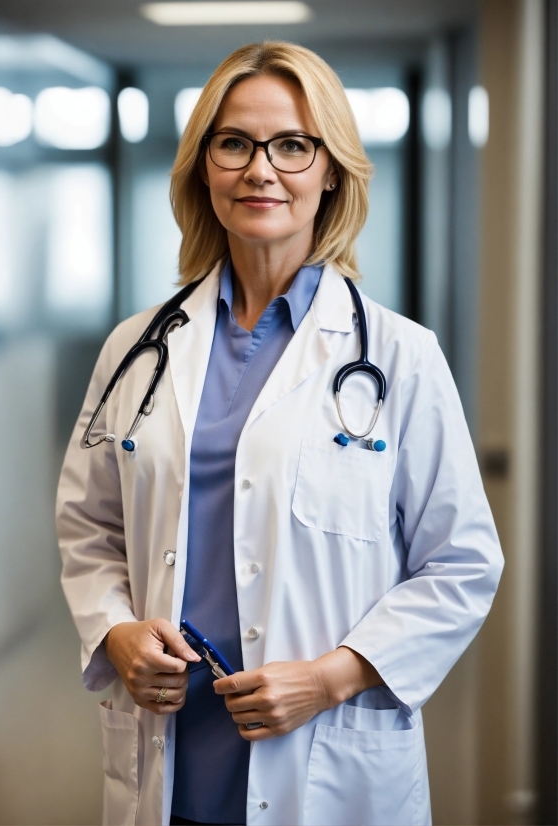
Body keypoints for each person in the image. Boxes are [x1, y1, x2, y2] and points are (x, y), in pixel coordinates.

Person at [57, 41, 503, 826]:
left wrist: (333, 678)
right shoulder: (137, 348)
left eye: (293, 145)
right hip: (172, 758)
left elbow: (461, 563)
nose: (261, 169)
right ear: (203, 166)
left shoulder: (400, 356)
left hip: (325, 761)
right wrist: (117, 630)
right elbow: (90, 528)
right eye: (234, 143)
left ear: (331, 169)